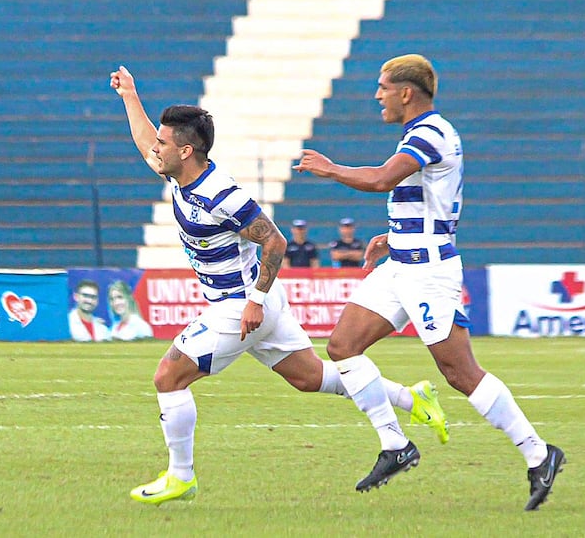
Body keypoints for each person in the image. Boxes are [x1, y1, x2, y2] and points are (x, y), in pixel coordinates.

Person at [109, 65, 449, 506]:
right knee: (310, 378)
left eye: (164, 143)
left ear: (187, 150)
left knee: (168, 377)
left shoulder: (219, 193)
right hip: (256, 303)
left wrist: (253, 301)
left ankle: (181, 476)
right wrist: (129, 95)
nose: (156, 150)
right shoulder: (179, 174)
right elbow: (145, 144)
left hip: (240, 305)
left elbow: (275, 239)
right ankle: (412, 398)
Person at [294, 54, 564, 511]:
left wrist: (330, 168)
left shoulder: (430, 133)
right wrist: (392, 235)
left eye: (383, 87)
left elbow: (382, 179)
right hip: (401, 263)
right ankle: (395, 444)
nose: (377, 95)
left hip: (429, 273)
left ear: (406, 92)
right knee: (342, 346)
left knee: (460, 373)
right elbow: (423, 198)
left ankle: (539, 453)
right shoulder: (418, 134)